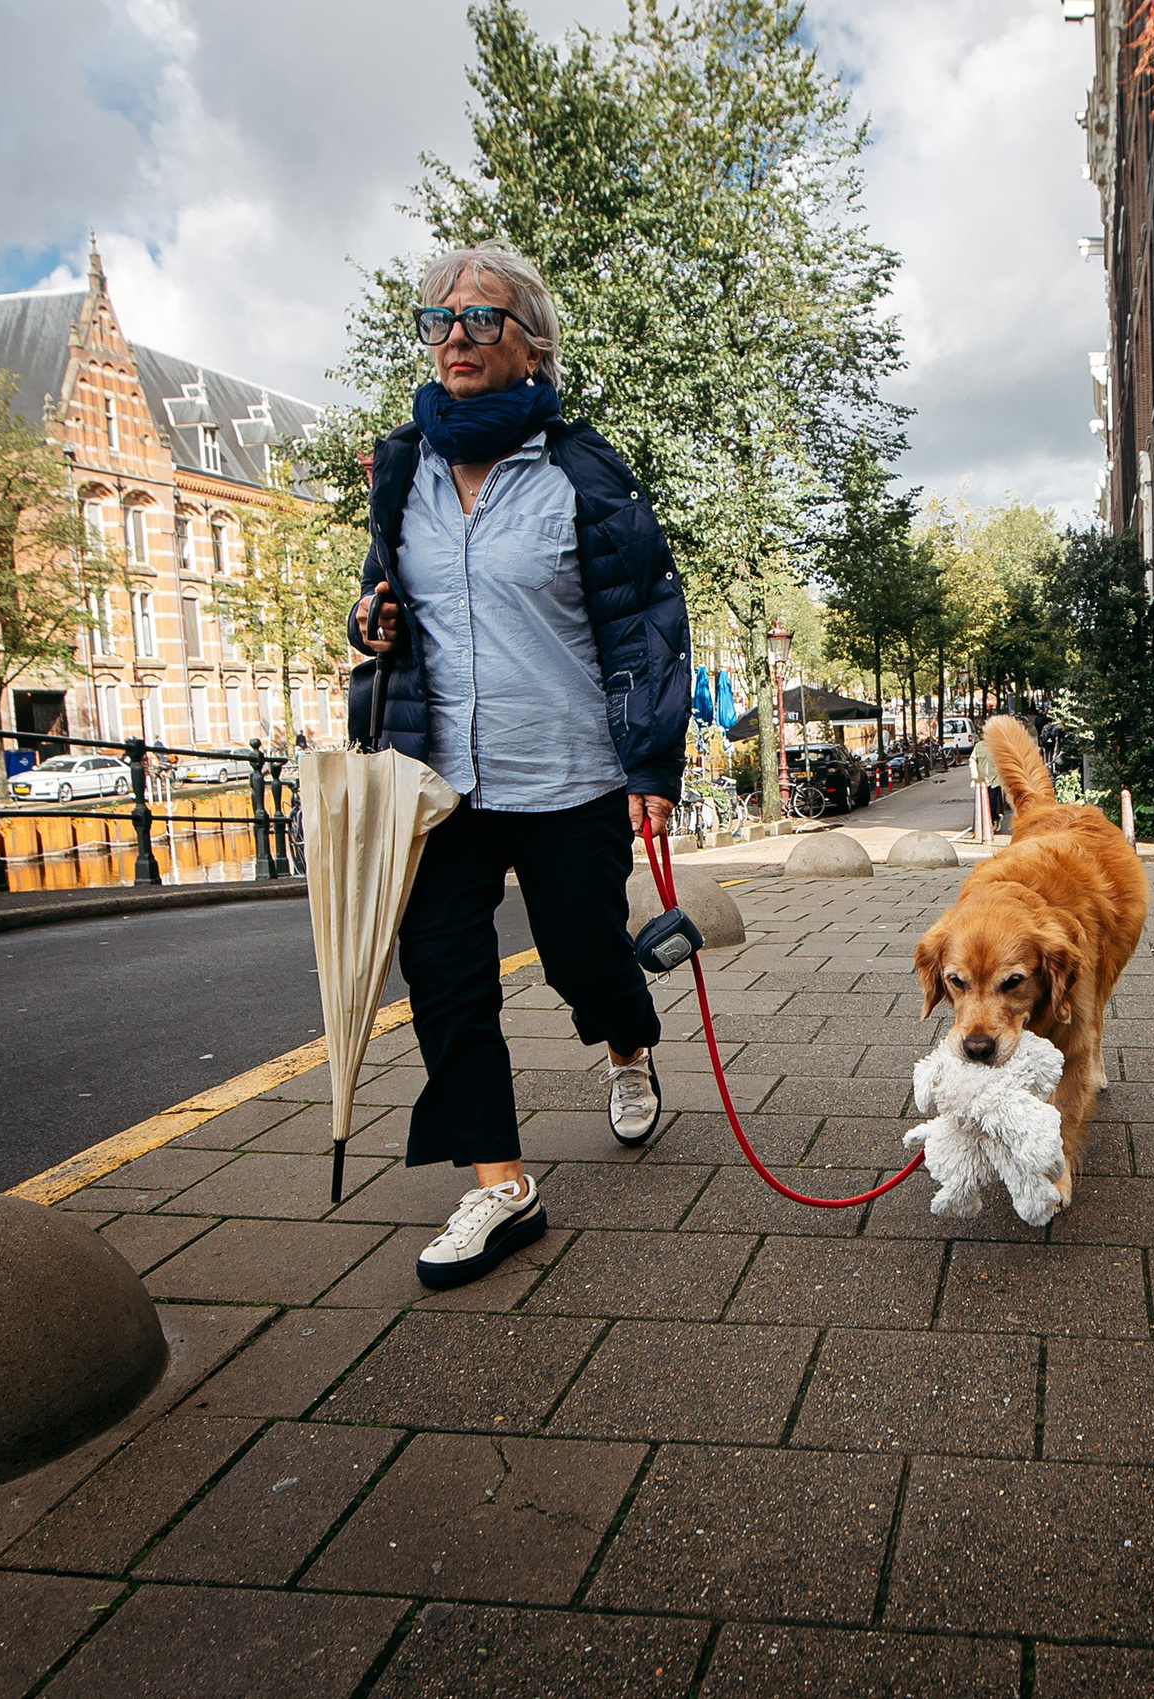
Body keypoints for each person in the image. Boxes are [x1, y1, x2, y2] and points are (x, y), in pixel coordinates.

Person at [348, 243, 691, 1289]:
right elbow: (386, 602)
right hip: (438, 778)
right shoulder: (402, 464)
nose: (454, 335)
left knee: (584, 958)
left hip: (569, 772)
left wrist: (652, 767)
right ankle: (501, 1185)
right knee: (445, 974)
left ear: (533, 350)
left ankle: (627, 1044)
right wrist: (370, 625)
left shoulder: (581, 476)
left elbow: (646, 628)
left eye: (482, 319)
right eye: (440, 319)